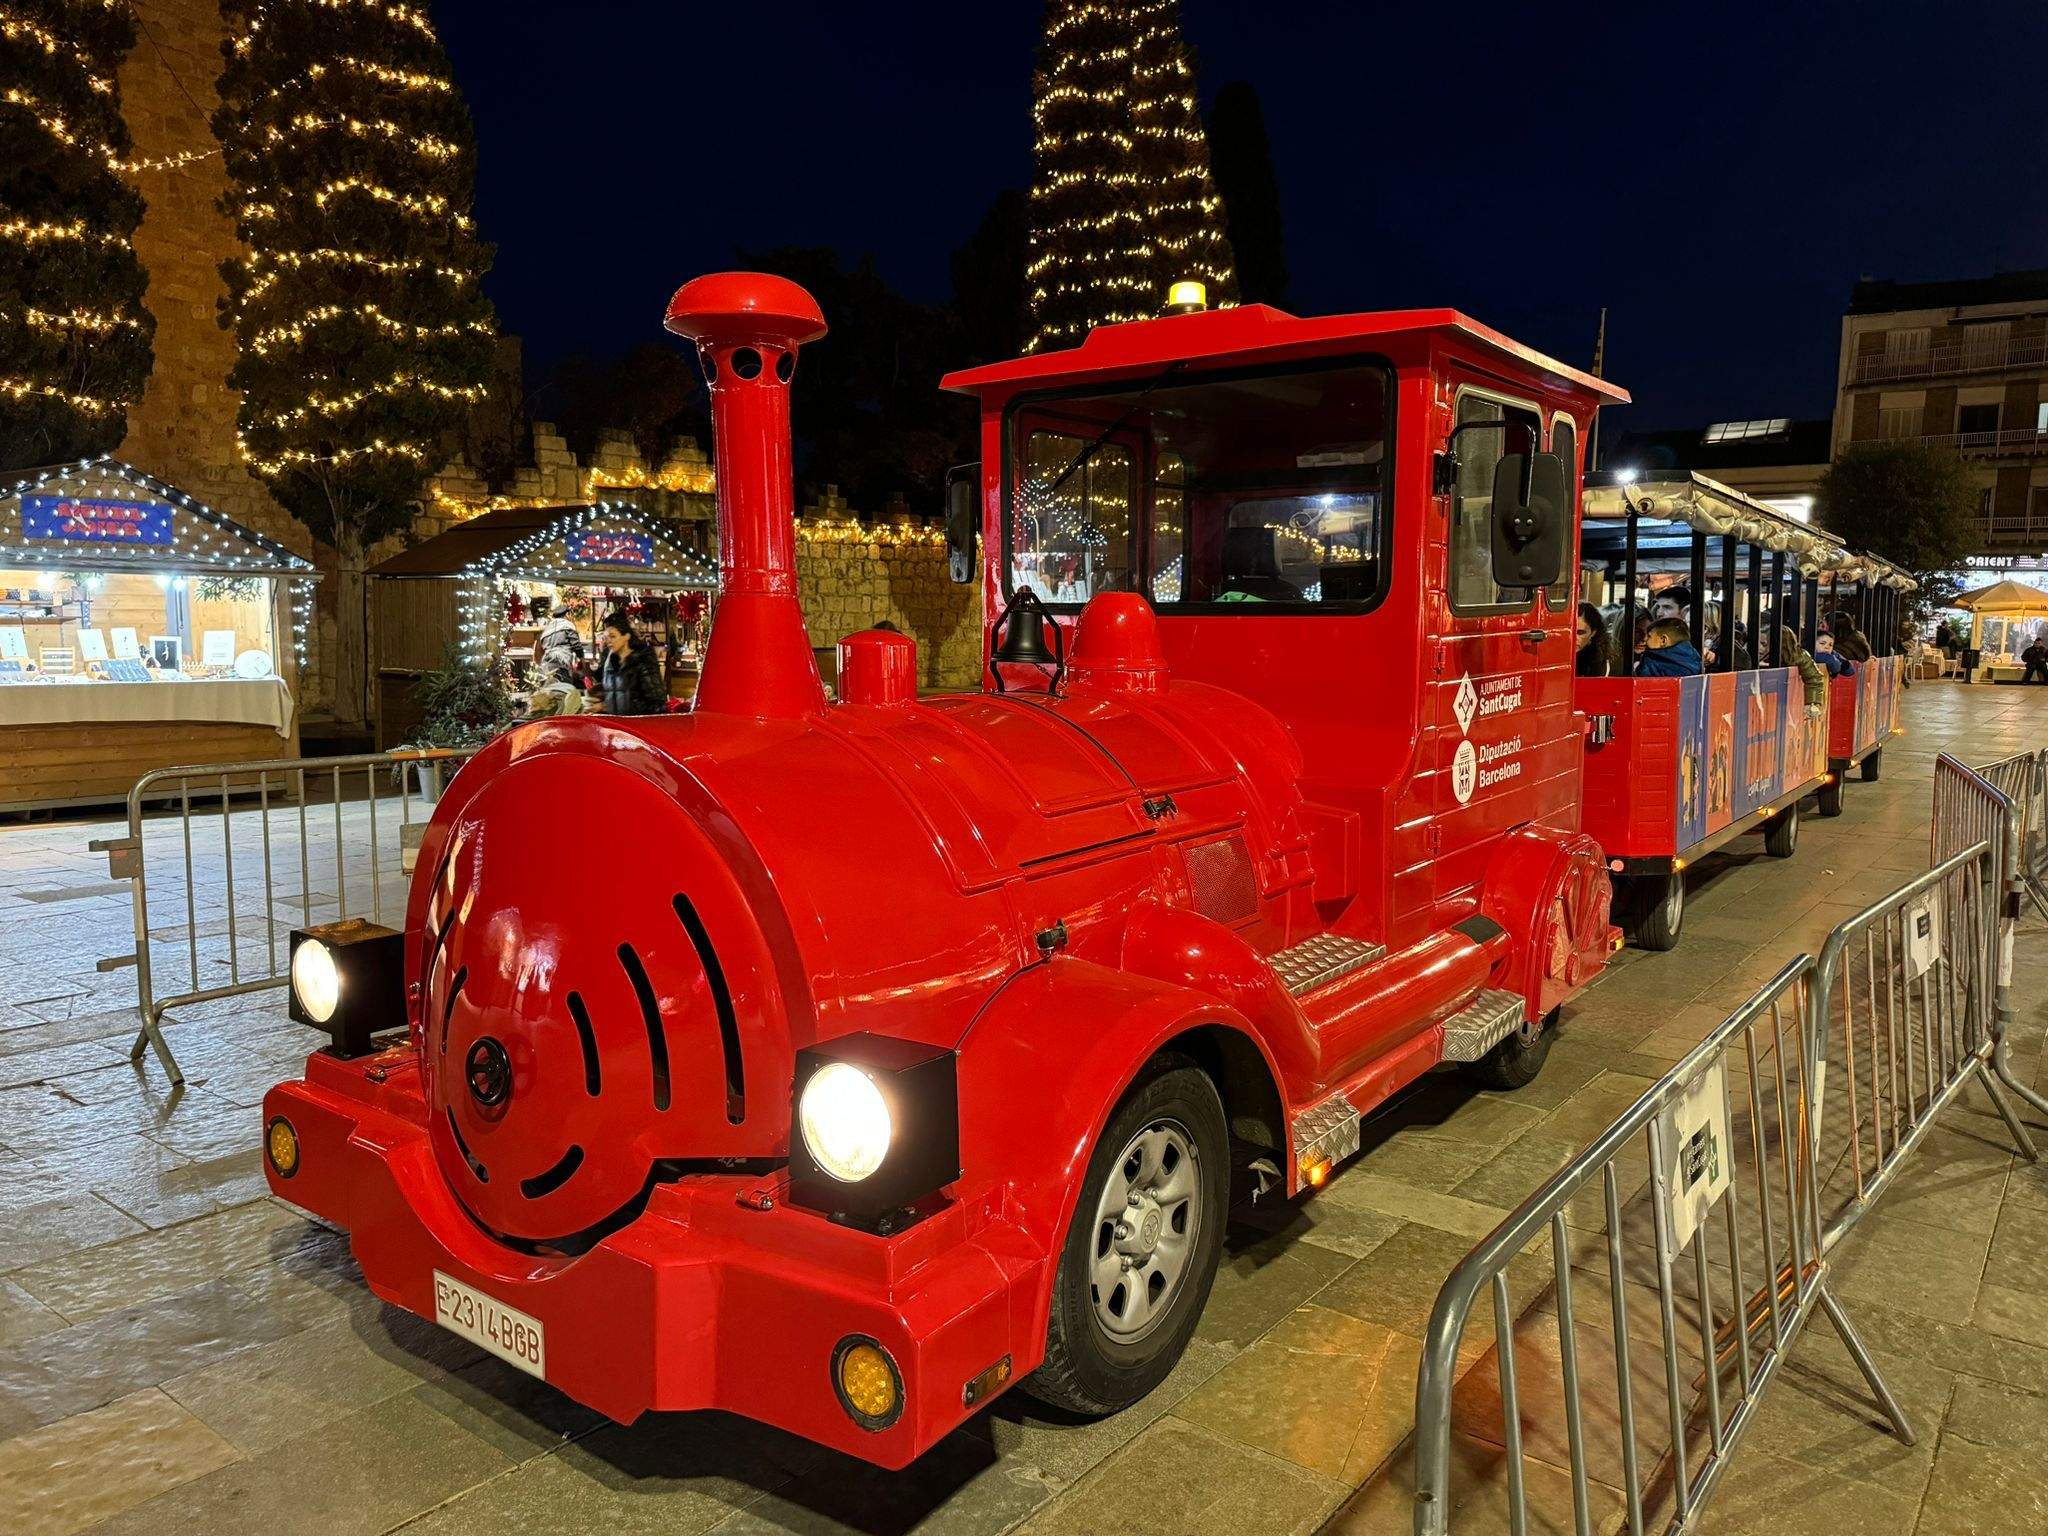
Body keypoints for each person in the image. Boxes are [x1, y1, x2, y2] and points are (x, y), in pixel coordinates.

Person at [597, 611, 667, 715]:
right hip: (614, 726)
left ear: (626, 636)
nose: (609, 641)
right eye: (606, 638)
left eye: (613, 636)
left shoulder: (643, 660)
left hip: (635, 726)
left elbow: (656, 701)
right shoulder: (610, 661)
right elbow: (611, 692)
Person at [1781, 626, 1826, 716]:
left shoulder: (1800, 657)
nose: (1761, 647)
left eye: (1764, 643)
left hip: (1788, 707)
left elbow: (1814, 678)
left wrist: (1812, 703)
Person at [535, 603, 584, 686]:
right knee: (563, 690)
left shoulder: (546, 629)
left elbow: (539, 650)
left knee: (549, 691)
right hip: (562, 664)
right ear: (567, 614)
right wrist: (582, 659)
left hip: (546, 665)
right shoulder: (567, 625)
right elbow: (576, 645)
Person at [1637, 618, 1703, 677]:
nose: (1645, 639)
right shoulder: (1695, 659)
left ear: (1663, 640)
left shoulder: (1651, 662)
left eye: (1649, 636)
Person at [1575, 602, 1618, 676]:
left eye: (1580, 632)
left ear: (1593, 633)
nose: (1574, 638)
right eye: (1570, 631)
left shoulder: (1603, 662)